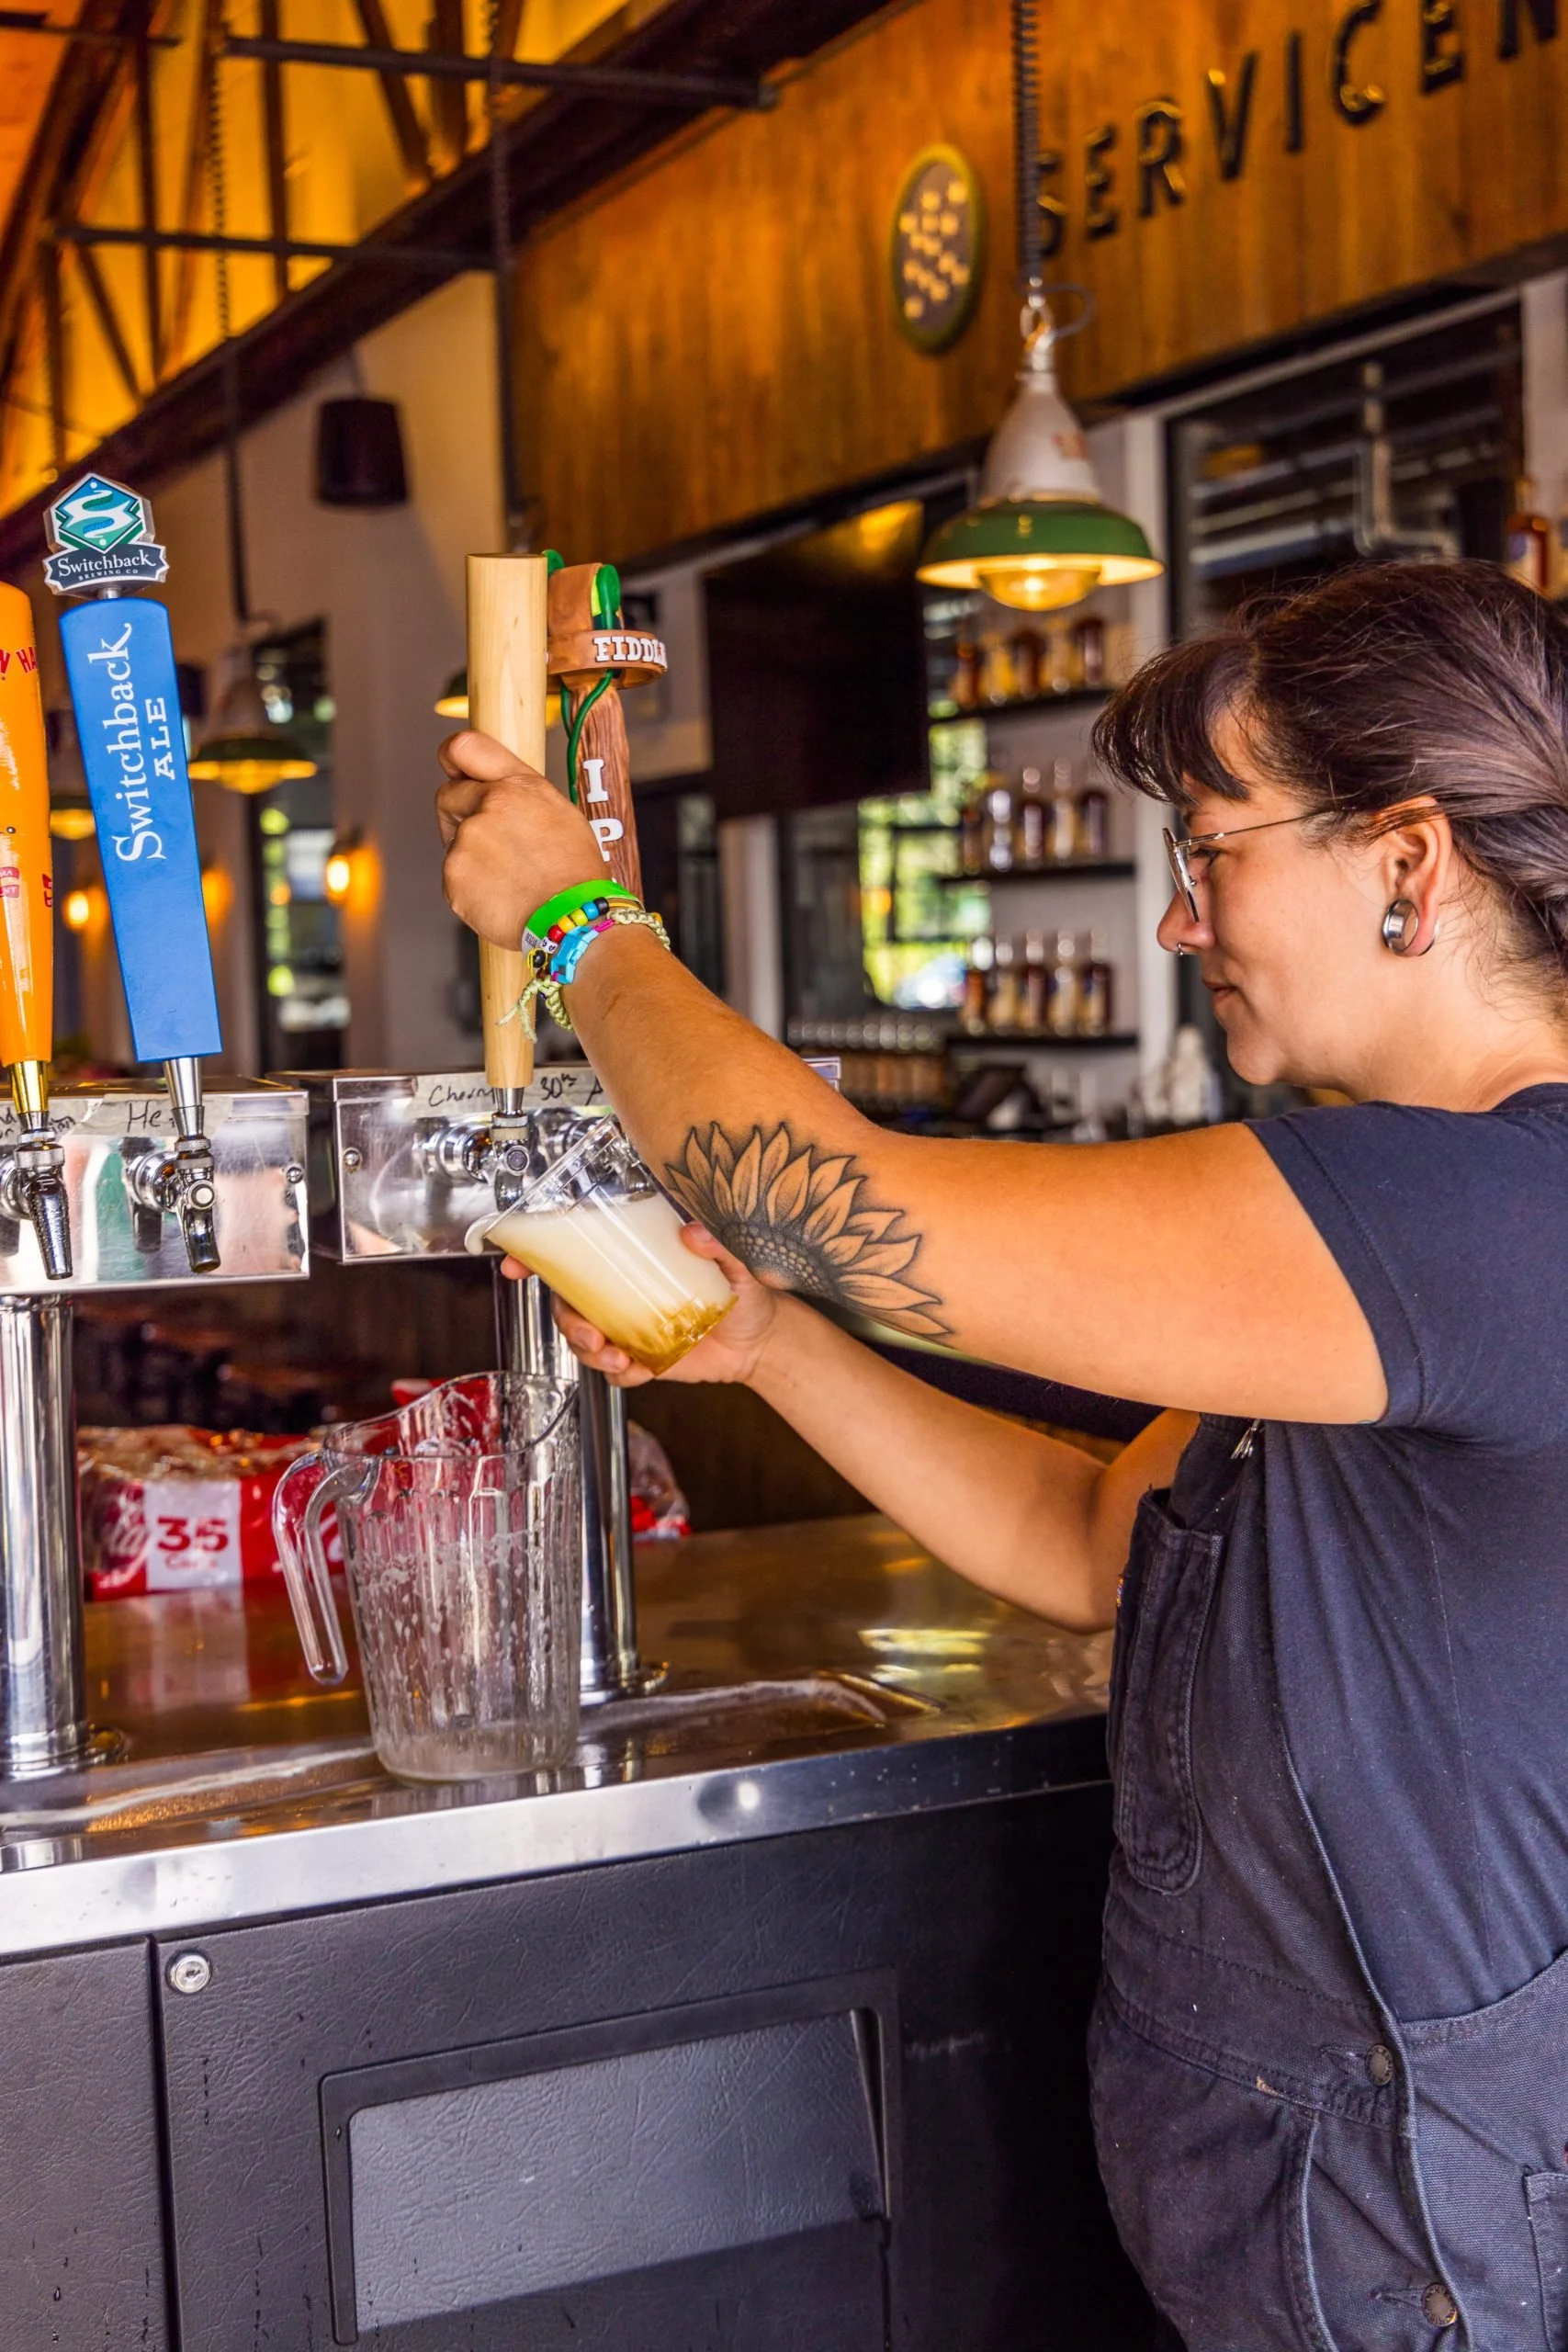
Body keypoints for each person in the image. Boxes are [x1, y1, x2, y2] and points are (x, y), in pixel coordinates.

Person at [437, 560, 1568, 2349]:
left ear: (1407, 864)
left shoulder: (1484, 1213)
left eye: (1212, 846)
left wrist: (586, 928)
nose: (1183, 924)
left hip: (1416, 2242)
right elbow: (1091, 1536)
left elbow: (841, 1205)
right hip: (1313, 2210)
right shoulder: (1381, 1239)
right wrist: (776, 1347)